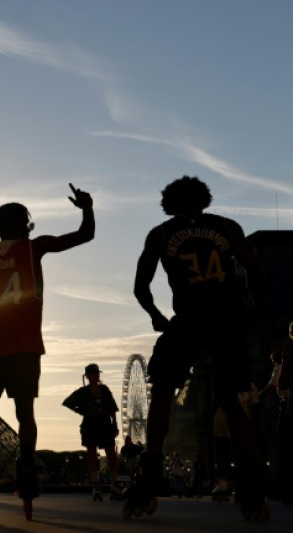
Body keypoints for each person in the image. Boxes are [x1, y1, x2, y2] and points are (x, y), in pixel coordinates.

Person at [0, 184, 94, 519]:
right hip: (25, 347)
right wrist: (86, 207)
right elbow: (84, 235)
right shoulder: (34, 248)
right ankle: (26, 469)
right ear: (23, 224)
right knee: (24, 413)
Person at [129, 176, 267, 520]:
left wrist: (157, 316)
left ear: (169, 203)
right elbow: (255, 270)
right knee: (233, 401)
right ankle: (251, 489)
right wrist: (253, 307)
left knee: (161, 390)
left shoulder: (160, 234)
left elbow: (140, 286)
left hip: (188, 317)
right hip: (225, 317)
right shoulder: (228, 226)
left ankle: (150, 473)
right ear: (204, 199)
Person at [62, 363, 121, 500]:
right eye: (94, 373)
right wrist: (83, 412)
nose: (96, 375)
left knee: (111, 455)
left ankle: (113, 484)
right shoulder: (83, 392)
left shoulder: (104, 389)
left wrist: (115, 424)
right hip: (92, 425)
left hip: (104, 424)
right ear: (88, 376)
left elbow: (112, 408)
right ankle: (97, 486)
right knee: (92, 456)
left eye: (97, 373)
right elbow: (67, 402)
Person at [262, 344, 291, 504]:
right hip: (286, 403)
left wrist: (256, 398)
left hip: (286, 404)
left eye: (273, 360)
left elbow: (273, 387)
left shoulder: (281, 367)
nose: (273, 364)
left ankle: (284, 487)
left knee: (283, 445)